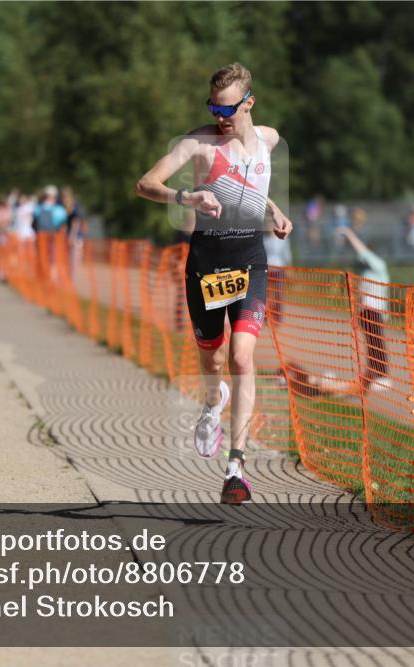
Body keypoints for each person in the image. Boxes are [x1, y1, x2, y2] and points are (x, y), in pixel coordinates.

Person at [136, 62, 293, 504]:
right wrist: (186, 196)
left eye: (228, 110)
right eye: (213, 107)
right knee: (215, 363)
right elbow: (145, 184)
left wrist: (273, 212)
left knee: (243, 357)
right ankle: (211, 404)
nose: (220, 118)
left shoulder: (268, 138)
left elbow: (252, 183)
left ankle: (235, 468)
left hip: (249, 261)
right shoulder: (196, 144)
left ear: (249, 103)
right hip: (206, 264)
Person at [336, 225, 391, 392]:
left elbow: (363, 252)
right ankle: (373, 375)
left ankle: (382, 376)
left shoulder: (379, 265)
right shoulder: (368, 270)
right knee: (370, 344)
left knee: (376, 343)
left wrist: (349, 234)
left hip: (374, 311)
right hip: (365, 311)